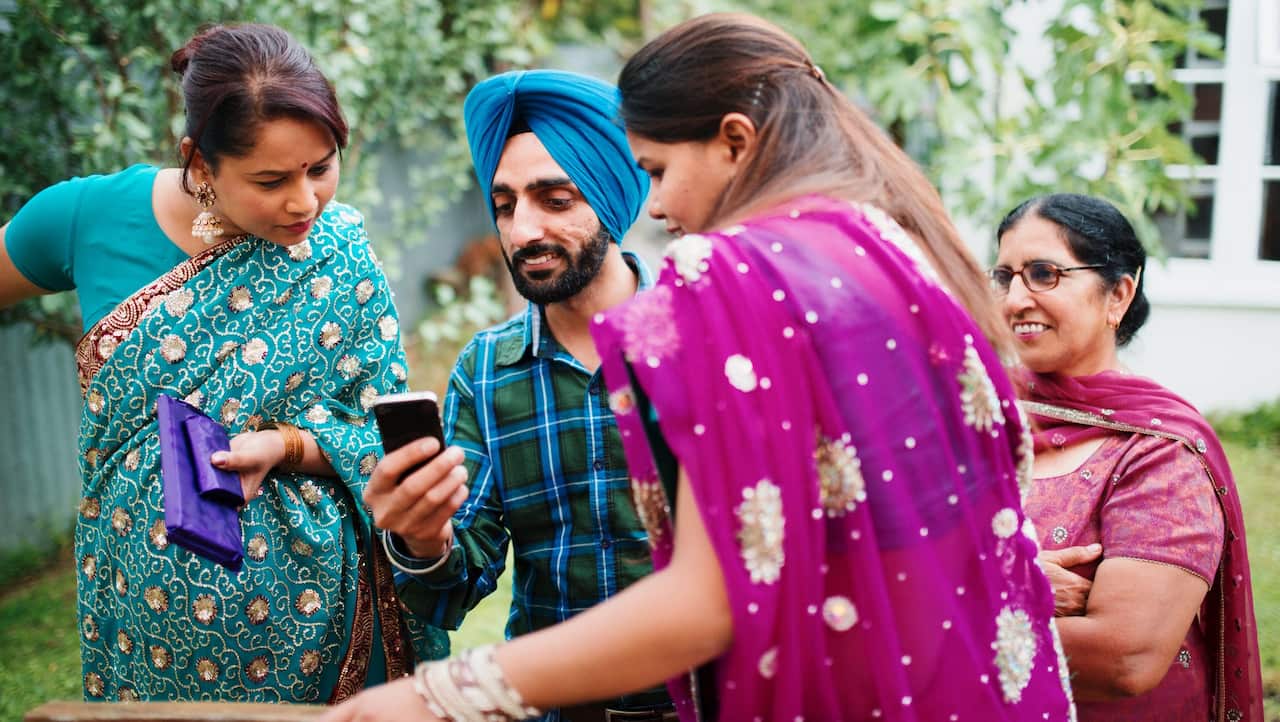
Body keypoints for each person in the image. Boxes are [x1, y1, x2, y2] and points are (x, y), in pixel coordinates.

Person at [324, 13, 1074, 722]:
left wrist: (445, 694)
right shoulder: (887, 247)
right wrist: (423, 539)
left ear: (735, 144)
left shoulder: (724, 283)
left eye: (654, 169)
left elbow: (714, 601)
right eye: (505, 202)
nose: (654, 206)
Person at [0, 23, 446, 702]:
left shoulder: (340, 253)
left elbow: (381, 441)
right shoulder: (87, 217)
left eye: (321, 167)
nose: (304, 202)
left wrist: (285, 445)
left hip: (324, 635)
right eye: (270, 180)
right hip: (144, 629)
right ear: (199, 161)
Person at [364, 70, 674, 721]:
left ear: (613, 199)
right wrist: (425, 539)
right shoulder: (487, 370)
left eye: (555, 200)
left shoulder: (699, 341)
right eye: (504, 206)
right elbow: (452, 591)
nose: (522, 230)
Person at [993, 193, 1262, 721]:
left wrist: (947, 610)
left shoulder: (1159, 454)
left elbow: (1125, 657)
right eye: (1006, 277)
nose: (1014, 300)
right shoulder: (977, 418)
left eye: (1044, 274)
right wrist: (1011, 583)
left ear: (1117, 293)